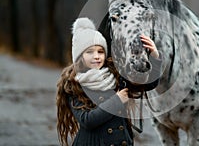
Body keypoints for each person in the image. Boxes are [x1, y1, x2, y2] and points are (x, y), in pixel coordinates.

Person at [56, 17, 159, 146]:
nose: (96, 56)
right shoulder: (74, 85)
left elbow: (147, 85)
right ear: (79, 56)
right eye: (89, 52)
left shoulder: (115, 75)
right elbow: (87, 121)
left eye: (100, 51)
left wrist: (154, 57)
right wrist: (116, 101)